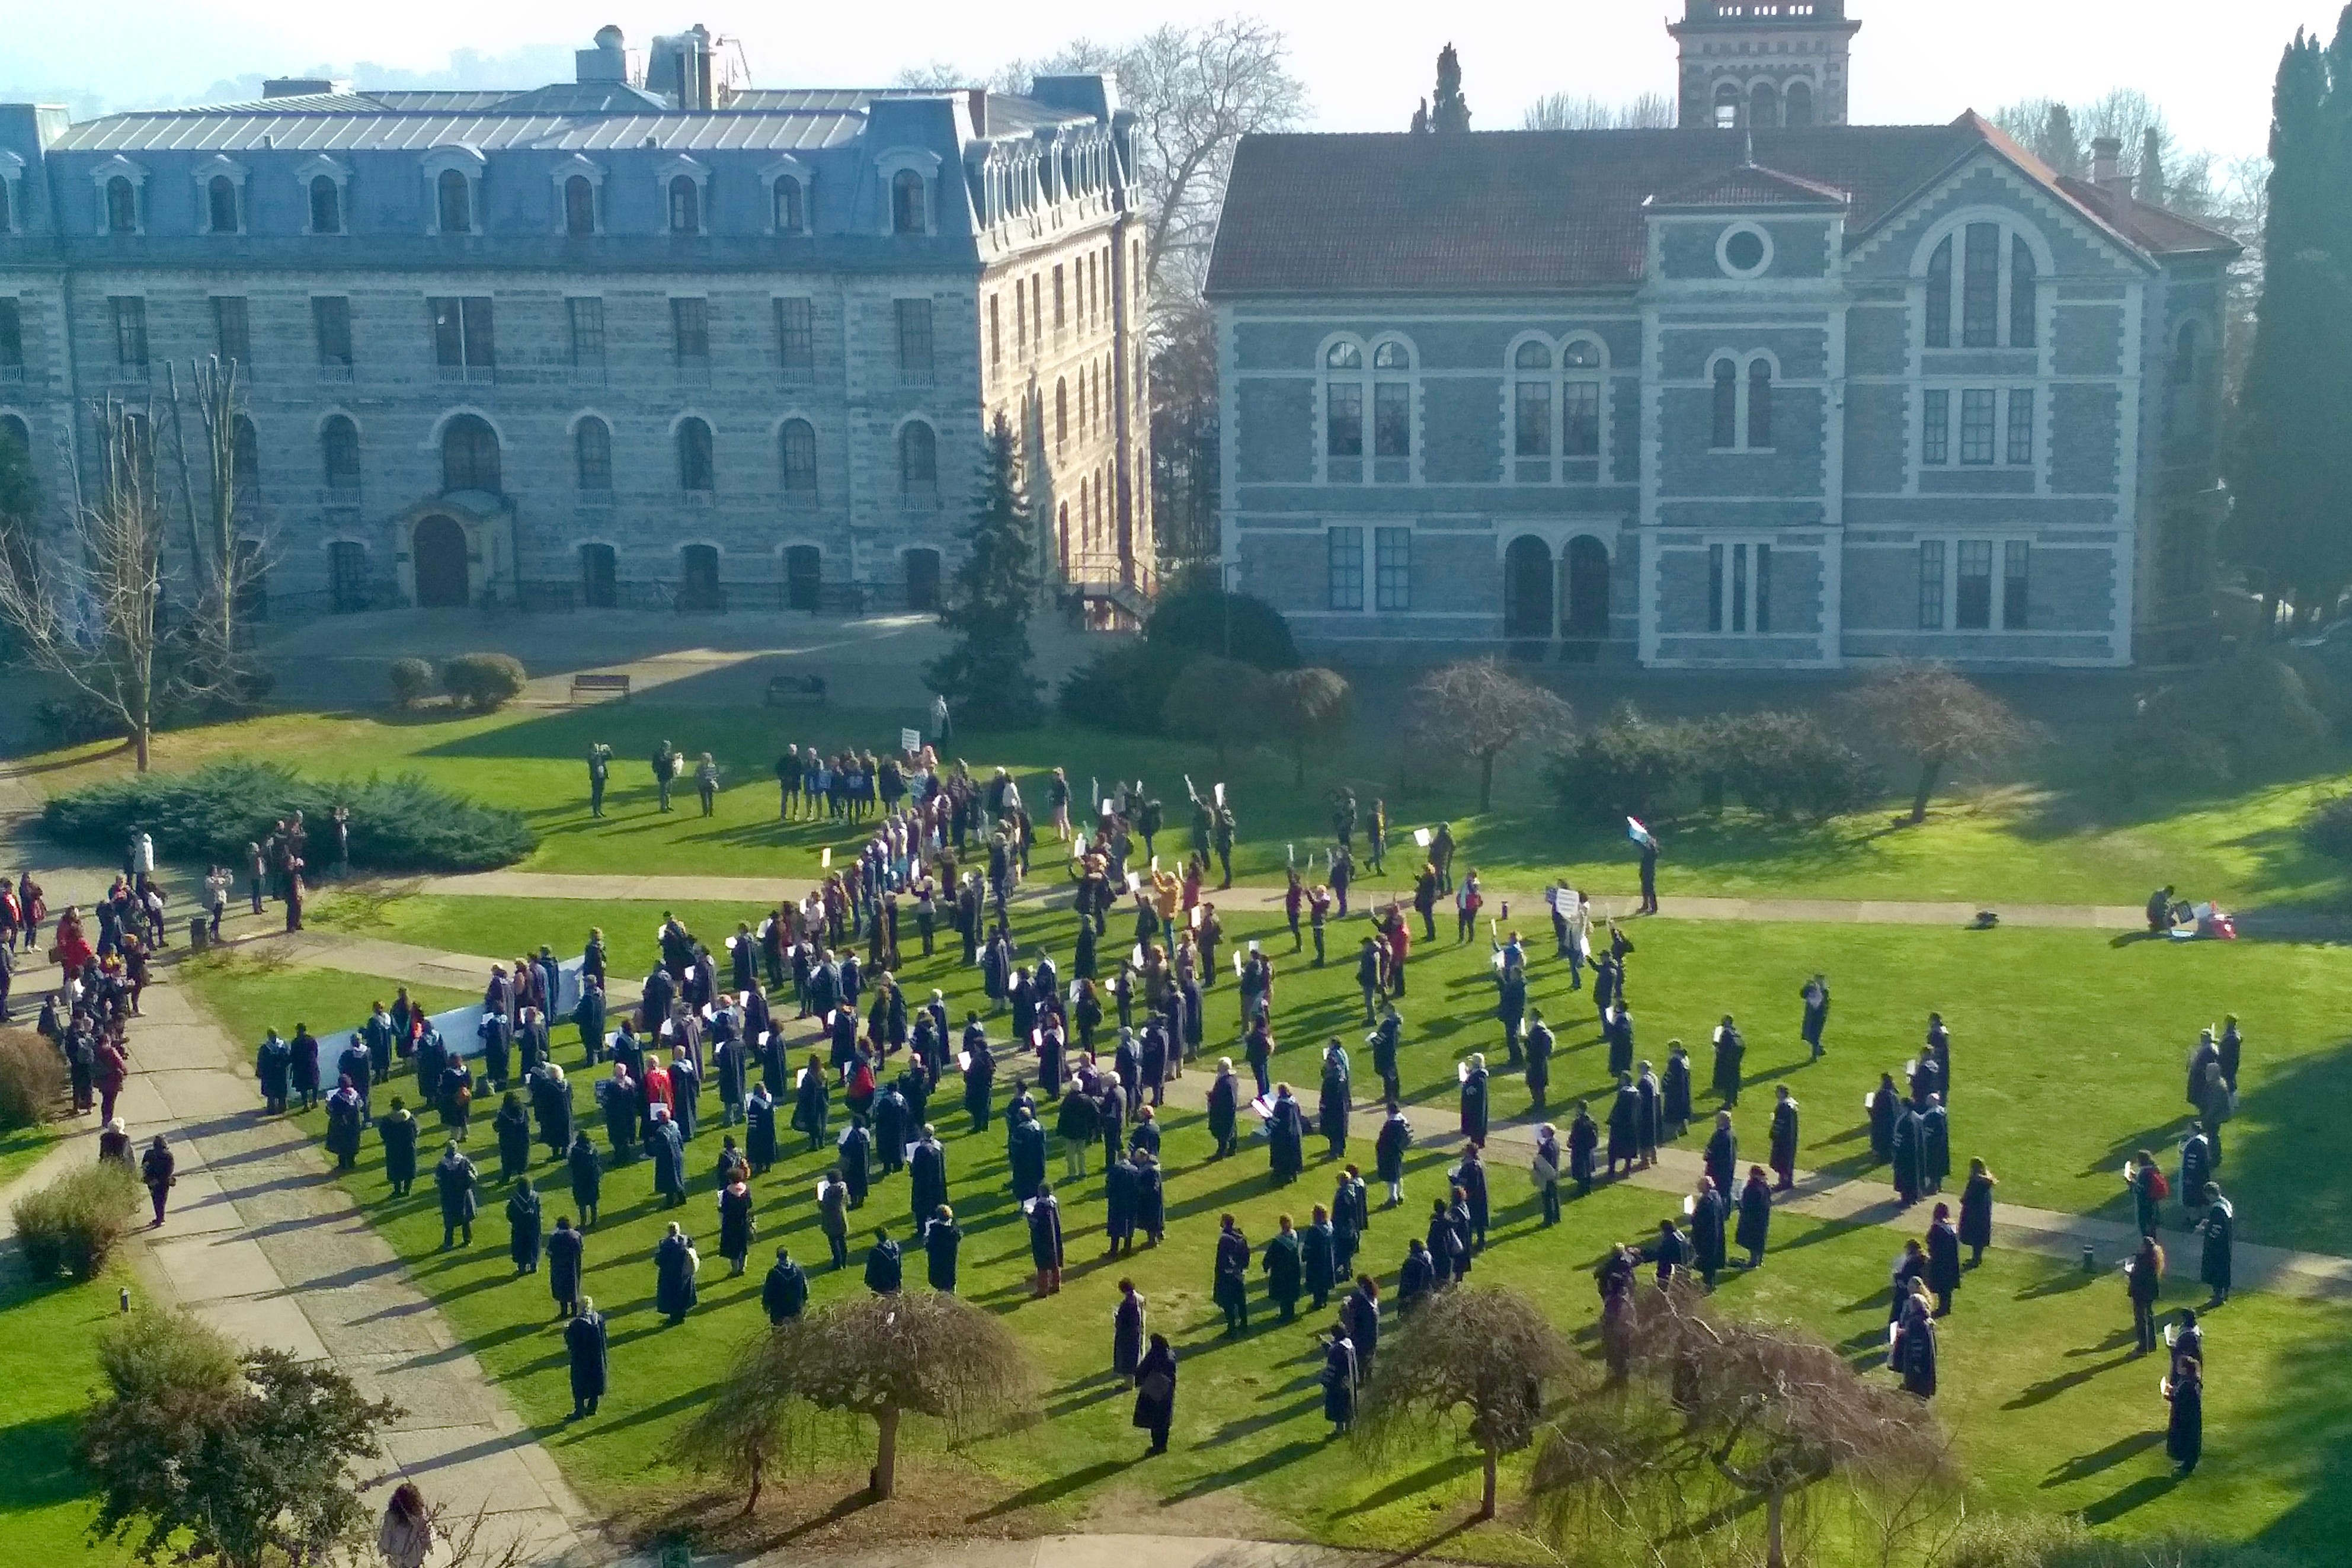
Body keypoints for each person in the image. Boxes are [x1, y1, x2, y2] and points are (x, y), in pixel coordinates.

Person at [1134, 1330, 1177, 1455]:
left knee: (1154, 1421)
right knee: (1164, 1421)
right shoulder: (1170, 1354)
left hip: (1154, 1392)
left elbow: (1143, 1370)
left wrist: (1139, 1381)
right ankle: (1163, 1445)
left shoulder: (1155, 1355)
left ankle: (1156, 1447)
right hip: (1167, 1393)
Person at [565, 1296, 608, 1419]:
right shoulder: (599, 1319)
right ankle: (592, 1408)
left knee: (579, 1384)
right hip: (597, 1359)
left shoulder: (577, 1324)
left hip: (582, 1361)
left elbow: (572, 1343)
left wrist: (567, 1330)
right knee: (595, 1382)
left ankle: (579, 1411)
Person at [377, 1483, 435, 1568]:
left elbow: (386, 1537)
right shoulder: (421, 1515)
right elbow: (429, 1537)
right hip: (416, 1558)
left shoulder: (391, 1516)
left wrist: (383, 1550)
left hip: (397, 1559)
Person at [2127, 1234, 2166, 1355]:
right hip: (2150, 1292)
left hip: (2140, 1292)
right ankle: (2151, 1344)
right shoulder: (2154, 1259)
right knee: (2149, 1317)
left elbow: (2138, 1276)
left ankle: (2143, 1347)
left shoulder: (2143, 1260)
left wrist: (2130, 1273)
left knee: (2141, 1320)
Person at [434, 1143, 478, 1249]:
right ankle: (468, 1240)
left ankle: (449, 1243)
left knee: (449, 1221)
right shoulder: (464, 1161)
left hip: (449, 1196)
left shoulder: (442, 1164)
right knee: (466, 1218)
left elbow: (437, 1180)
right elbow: (474, 1175)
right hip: (464, 1194)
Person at [1262, 1214, 1304, 1322]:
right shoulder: (1295, 1236)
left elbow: (1270, 1256)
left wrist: (1266, 1266)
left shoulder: (1278, 1241)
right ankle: (1291, 1313)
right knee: (1291, 1294)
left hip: (1281, 1272)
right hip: (1293, 1271)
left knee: (1283, 1295)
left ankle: (1285, 1316)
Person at [655, 1221, 700, 1323]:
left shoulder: (666, 1244)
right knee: (683, 1295)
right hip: (684, 1274)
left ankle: (674, 1319)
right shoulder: (685, 1240)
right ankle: (682, 1316)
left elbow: (659, 1260)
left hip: (670, 1276)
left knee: (672, 1297)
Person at [2198, 1183, 2235, 1305]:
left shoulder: (2217, 1209)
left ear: (2210, 1194)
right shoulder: (2225, 1204)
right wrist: (2209, 1222)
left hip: (2216, 1245)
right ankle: (2225, 1293)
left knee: (2215, 1269)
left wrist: (2205, 1229)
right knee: (2225, 1268)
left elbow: (2216, 1228)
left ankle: (2218, 1297)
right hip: (2226, 1243)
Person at [2166, 1356, 2203, 1474]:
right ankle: (2187, 1464)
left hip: (2186, 1419)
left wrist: (2168, 1395)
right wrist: (2172, 1389)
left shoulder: (2188, 1384)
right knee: (2190, 1439)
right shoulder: (2191, 1380)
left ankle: (2187, 1466)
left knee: (2187, 1440)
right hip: (2190, 1418)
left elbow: (2181, 1400)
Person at [1028, 1181, 1065, 1295]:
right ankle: (1056, 1285)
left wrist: (1028, 1214)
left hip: (1043, 1239)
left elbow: (1035, 1223)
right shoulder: (1054, 1203)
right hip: (1054, 1237)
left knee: (1042, 1265)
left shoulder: (1040, 1206)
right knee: (1055, 1261)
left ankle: (1042, 1290)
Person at [1320, 1327, 1359, 1437]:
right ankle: (1349, 1429)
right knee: (1348, 1405)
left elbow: (1332, 1367)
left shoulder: (1336, 1350)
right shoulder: (1350, 1345)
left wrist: (1325, 1383)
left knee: (1338, 1407)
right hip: (1349, 1381)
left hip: (1338, 1383)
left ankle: (1339, 1431)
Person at [1925, 1202, 1961, 1316]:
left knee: (1942, 1286)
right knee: (1948, 1287)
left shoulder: (1937, 1227)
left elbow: (1930, 1241)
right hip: (1952, 1261)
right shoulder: (1952, 1226)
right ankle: (1946, 1307)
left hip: (1940, 1261)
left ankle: (1943, 1309)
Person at [1690, 1176, 1727, 1286]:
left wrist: (1693, 1217)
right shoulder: (1716, 1195)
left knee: (1706, 1259)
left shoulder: (1705, 1201)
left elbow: (1699, 1220)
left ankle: (1708, 1284)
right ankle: (1709, 1280)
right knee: (1712, 1259)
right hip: (1716, 1232)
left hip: (1706, 1235)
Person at [1959, 1158, 1995, 1267]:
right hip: (1984, 1213)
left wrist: (1963, 1200)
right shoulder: (1987, 1180)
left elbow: (1968, 1196)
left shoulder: (1975, 1181)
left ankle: (1975, 1260)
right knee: (1980, 1237)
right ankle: (1977, 1258)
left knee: (1974, 1235)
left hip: (1973, 1213)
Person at [546, 1215, 585, 1318]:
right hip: (573, 1267)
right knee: (573, 1288)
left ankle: (564, 1313)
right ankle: (574, 1311)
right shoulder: (576, 1235)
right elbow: (581, 1250)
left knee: (561, 1288)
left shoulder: (554, 1237)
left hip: (559, 1268)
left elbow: (549, 1252)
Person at [1375, 1099, 1411, 1208]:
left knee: (1391, 1177)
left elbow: (1384, 1140)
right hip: (1398, 1151)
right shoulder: (1403, 1121)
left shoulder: (1391, 1124)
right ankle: (1400, 1194)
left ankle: (1393, 1198)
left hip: (1390, 1153)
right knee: (1398, 1173)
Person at [1736, 1164, 1772, 1268]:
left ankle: (1753, 1262)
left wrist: (1740, 1205)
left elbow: (1748, 1204)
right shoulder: (1765, 1186)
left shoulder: (1752, 1188)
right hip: (1763, 1219)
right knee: (1760, 1240)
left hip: (1752, 1219)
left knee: (1752, 1241)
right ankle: (1759, 1260)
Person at [923, 1204, 963, 1294]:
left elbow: (928, 1247)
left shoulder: (934, 1232)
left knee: (940, 1294)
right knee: (951, 1292)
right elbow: (958, 1233)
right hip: (950, 1270)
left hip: (937, 1269)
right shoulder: (954, 1233)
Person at [506, 1178, 543, 1275]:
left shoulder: (515, 1200)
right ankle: (534, 1265)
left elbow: (510, 1214)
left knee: (520, 1246)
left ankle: (522, 1268)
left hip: (520, 1228)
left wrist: (514, 1221)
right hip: (533, 1227)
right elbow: (538, 1211)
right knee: (533, 1245)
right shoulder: (535, 1197)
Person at [139, 1133, 175, 1227]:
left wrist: (150, 1179)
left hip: (151, 1181)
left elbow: (144, 1167)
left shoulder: (149, 1153)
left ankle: (159, 1218)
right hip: (163, 1182)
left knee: (155, 1199)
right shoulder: (169, 1156)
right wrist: (160, 1179)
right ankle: (160, 1218)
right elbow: (169, 1171)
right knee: (162, 1200)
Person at [1768, 1086, 1799, 1192]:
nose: (1776, 1094)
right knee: (1789, 1160)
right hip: (1791, 1139)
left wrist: (1773, 1134)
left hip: (1782, 1139)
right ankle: (1788, 1181)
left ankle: (1783, 1183)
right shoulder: (1792, 1106)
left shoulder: (1783, 1107)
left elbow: (1780, 1124)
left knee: (1782, 1160)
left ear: (1782, 1093)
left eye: (1777, 1092)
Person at [1531, 1124, 1563, 1227]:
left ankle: (1548, 1221)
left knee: (1547, 1198)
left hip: (1547, 1175)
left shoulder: (1546, 1146)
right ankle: (1557, 1217)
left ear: (1548, 1131)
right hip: (1555, 1173)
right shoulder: (1556, 1143)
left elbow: (1541, 1161)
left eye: (1544, 1130)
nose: (1542, 1132)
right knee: (1555, 1196)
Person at [1459, 1052, 1490, 1144]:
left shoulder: (1479, 1077)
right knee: (1476, 1125)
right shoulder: (1479, 1074)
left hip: (1475, 1107)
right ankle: (1477, 1143)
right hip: (1476, 1106)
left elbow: (1472, 1091)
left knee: (1476, 1126)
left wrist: (1465, 1086)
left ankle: (1477, 1145)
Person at [1799, 973, 1830, 1060]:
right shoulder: (1811, 988)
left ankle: (1814, 1056)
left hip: (1819, 1016)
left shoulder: (1825, 991)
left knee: (1815, 1035)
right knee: (1808, 1035)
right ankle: (1819, 1049)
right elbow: (1802, 995)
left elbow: (1824, 1005)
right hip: (1810, 1014)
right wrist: (1806, 986)